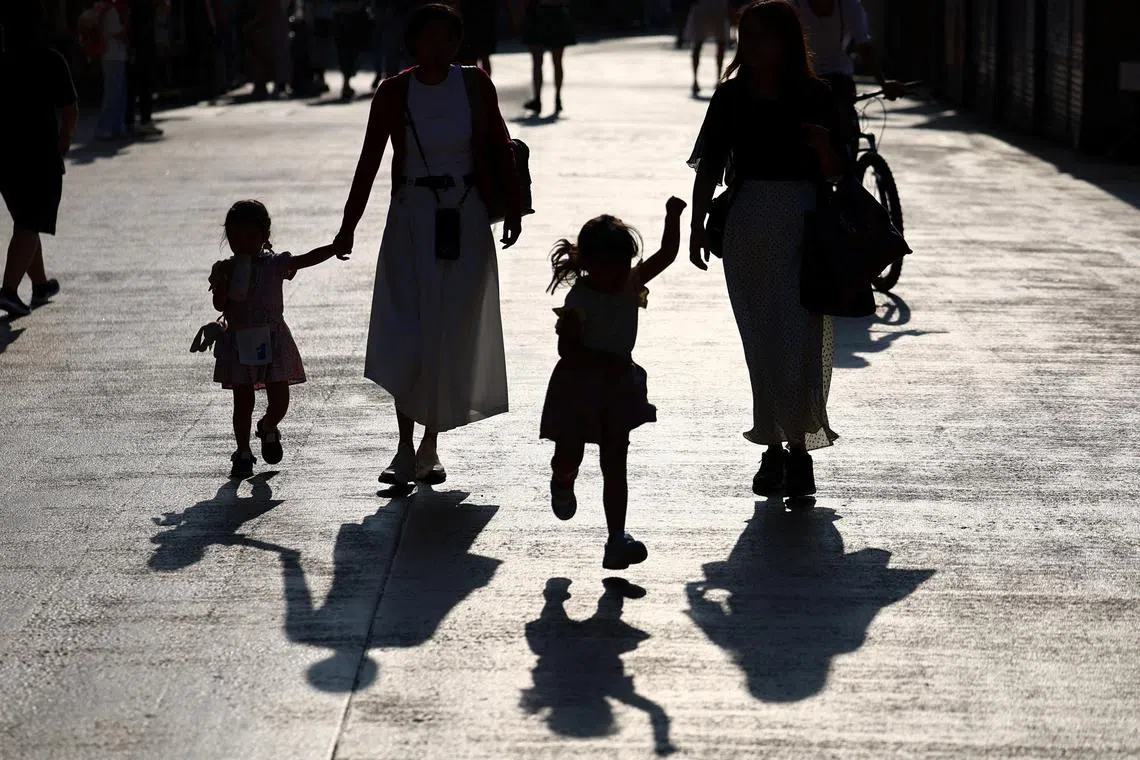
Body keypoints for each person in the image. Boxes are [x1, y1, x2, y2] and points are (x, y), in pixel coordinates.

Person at [332, 4, 523, 487]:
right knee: (409, 330)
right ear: (413, 43)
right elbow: (369, 161)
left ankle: (430, 443)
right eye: (430, 38)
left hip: (466, 214)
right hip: (412, 218)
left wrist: (515, 210)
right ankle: (402, 444)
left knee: (449, 331)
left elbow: (500, 147)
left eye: (449, 38)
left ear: (459, 44)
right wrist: (348, 226)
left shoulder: (476, 84)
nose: (439, 47)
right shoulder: (394, 92)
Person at [687, 0, 845, 498]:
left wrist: (824, 150)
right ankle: (773, 451)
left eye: (762, 36)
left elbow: (839, 170)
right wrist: (696, 226)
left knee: (797, 342)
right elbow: (710, 166)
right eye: (745, 35)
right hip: (748, 222)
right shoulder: (730, 97)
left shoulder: (816, 96)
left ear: (787, 41)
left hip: (803, 224)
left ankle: (798, 453)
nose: (751, 45)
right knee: (760, 344)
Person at [540, 198, 686, 570]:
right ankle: (562, 478)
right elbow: (566, 349)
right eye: (611, 265)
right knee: (569, 453)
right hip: (579, 386)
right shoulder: (578, 299)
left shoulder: (631, 282)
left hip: (618, 385)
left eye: (625, 263)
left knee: (615, 463)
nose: (620, 271)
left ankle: (616, 537)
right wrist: (592, 358)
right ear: (588, 265)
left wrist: (673, 216)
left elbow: (667, 255)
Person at [209, 200, 348, 478]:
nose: (242, 244)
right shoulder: (225, 267)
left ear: (264, 236)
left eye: (250, 237)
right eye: (235, 238)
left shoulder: (274, 265)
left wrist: (334, 248)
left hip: (272, 338)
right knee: (243, 400)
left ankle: (269, 426)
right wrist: (223, 285)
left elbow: (305, 260)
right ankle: (243, 451)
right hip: (240, 341)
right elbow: (219, 304)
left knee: (280, 398)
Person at [0, 1, 78, 317]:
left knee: (25, 220)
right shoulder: (50, 60)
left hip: (4, 158)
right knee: (32, 222)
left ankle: (41, 284)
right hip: (39, 155)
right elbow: (70, 109)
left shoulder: (2, 62)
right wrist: (64, 140)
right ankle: (7, 291)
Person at [790, 0, 904, 154]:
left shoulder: (850, 7)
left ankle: (847, 165)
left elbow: (863, 45)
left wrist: (883, 82)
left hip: (838, 75)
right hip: (804, 74)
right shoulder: (795, 6)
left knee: (842, 122)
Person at [519, 0, 575, 116]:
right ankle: (552, 98)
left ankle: (543, 98)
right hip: (549, 14)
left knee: (541, 62)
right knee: (553, 61)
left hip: (544, 14)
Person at [126, 0, 164, 138]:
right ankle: (144, 120)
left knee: (136, 86)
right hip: (142, 50)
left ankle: (134, 120)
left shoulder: (140, 8)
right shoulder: (143, 8)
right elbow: (142, 30)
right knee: (143, 85)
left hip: (139, 49)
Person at [94, 0, 130, 140]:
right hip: (113, 56)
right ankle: (104, 128)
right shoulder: (111, 11)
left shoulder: (103, 8)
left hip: (113, 56)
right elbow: (118, 34)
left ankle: (116, 127)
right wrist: (127, 22)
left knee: (118, 93)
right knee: (114, 94)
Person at [687, 0, 729, 96]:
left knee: (699, 43)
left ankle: (697, 79)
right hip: (712, 6)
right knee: (700, 43)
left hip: (710, 6)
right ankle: (699, 79)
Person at [332, 0, 369, 100]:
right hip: (350, 16)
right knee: (348, 51)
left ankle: (346, 81)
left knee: (346, 51)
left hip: (347, 16)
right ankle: (346, 81)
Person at [457, 0, 501, 76]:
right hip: (483, 19)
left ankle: (478, 82)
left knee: (472, 57)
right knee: (483, 56)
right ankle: (483, 82)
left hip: (470, 19)